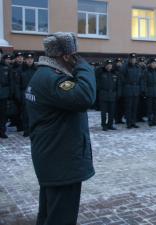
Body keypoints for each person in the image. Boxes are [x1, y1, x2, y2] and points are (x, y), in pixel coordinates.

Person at [25, 32, 96, 225]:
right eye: (75, 55)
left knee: (50, 213)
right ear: (66, 56)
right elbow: (84, 96)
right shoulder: (51, 78)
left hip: (54, 158)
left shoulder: (44, 75)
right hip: (61, 161)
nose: (76, 60)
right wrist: (84, 67)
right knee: (61, 217)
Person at [96, 59, 121, 131]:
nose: (109, 66)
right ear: (105, 65)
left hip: (112, 94)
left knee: (112, 111)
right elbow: (97, 81)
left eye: (110, 65)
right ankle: (104, 125)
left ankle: (110, 124)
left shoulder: (114, 74)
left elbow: (118, 84)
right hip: (103, 94)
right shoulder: (101, 73)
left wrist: (118, 93)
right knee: (103, 112)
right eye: (108, 65)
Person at [122, 53, 144, 129]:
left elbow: (141, 79)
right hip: (128, 89)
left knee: (135, 108)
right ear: (129, 59)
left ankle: (133, 122)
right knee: (129, 108)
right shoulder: (125, 67)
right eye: (132, 59)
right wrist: (127, 83)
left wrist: (140, 89)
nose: (133, 60)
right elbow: (122, 78)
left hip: (136, 90)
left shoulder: (138, 67)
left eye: (134, 59)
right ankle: (128, 123)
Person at [144, 58, 156, 126]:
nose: (154, 64)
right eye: (153, 63)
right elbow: (144, 82)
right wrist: (145, 91)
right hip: (149, 92)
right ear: (150, 64)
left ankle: (155, 120)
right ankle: (150, 120)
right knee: (150, 108)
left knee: (155, 108)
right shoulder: (146, 71)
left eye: (155, 63)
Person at [0, 54, 12, 138]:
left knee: (3, 114)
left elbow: (11, 80)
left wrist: (10, 92)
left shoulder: (6, 66)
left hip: (3, 93)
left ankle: (2, 131)